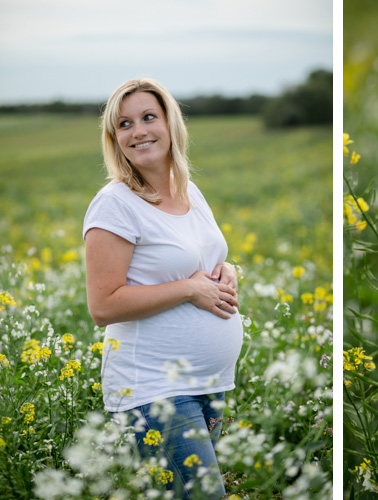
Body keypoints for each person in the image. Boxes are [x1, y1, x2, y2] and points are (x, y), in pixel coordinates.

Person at [83, 78, 243, 499]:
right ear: (114, 139)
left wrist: (227, 271)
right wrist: (190, 290)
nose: (138, 131)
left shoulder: (188, 190)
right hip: (154, 387)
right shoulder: (114, 204)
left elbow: (200, 256)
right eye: (124, 124)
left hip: (211, 381)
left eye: (148, 117)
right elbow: (103, 305)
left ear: (171, 124)